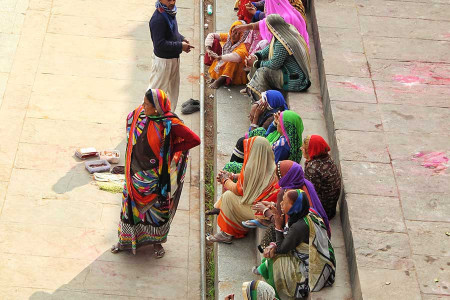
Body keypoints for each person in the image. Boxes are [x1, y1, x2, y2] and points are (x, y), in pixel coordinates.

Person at [111, 89, 200, 257]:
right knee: (129, 209)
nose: (142, 106)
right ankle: (125, 241)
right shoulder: (140, 114)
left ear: (157, 107)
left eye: (147, 104)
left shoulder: (169, 123)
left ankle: (157, 242)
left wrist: (172, 148)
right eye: (143, 102)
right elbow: (131, 131)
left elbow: (194, 140)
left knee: (157, 210)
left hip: (156, 177)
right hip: (134, 175)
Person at [256, 189, 336, 299]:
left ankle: (273, 293)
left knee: (275, 260)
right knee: (272, 246)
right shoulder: (307, 212)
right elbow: (286, 239)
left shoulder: (299, 227)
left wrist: (278, 227)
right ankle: (263, 271)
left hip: (312, 270)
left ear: (295, 206)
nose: (280, 203)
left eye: (284, 202)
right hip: (324, 260)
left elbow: (282, 248)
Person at [206, 136, 277, 243]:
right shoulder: (271, 165)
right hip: (267, 206)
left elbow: (238, 190)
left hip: (261, 212)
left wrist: (225, 180)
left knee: (229, 197)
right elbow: (252, 178)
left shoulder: (252, 167)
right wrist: (233, 176)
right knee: (230, 195)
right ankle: (220, 208)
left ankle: (226, 234)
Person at [241, 14, 311, 101]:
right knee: (259, 61)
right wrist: (256, 56)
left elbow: (274, 65)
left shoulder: (282, 43)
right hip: (291, 72)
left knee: (262, 71)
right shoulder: (284, 31)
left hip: (294, 79)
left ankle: (262, 102)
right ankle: (251, 87)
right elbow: (268, 48)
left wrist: (256, 63)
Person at [149, 0, 194, 110]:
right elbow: (159, 44)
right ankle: (145, 121)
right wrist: (180, 46)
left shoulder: (169, 12)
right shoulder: (158, 19)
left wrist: (181, 39)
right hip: (163, 63)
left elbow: (172, 33)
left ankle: (168, 119)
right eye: (169, 0)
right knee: (154, 96)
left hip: (173, 60)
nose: (172, 2)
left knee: (173, 93)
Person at [302, 135, 342, 219]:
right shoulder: (327, 158)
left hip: (322, 211)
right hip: (330, 208)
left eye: (304, 148)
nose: (301, 149)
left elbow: (310, 192)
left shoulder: (313, 168)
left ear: (310, 151)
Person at [206, 21, 250, 89]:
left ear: (242, 36)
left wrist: (220, 57)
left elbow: (236, 57)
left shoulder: (243, 45)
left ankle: (221, 80)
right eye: (233, 32)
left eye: (239, 34)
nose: (234, 35)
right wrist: (208, 49)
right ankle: (216, 75)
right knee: (215, 41)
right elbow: (211, 35)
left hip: (236, 70)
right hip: (224, 59)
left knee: (232, 61)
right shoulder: (229, 37)